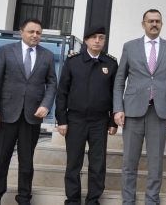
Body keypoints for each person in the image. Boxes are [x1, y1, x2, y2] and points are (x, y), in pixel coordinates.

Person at [0, 18, 57, 205]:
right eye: (31, 31)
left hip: (32, 117)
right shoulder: (6, 51)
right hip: (7, 114)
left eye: (38, 33)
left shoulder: (47, 55)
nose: (35, 35)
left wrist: (46, 104)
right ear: (21, 32)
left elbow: (52, 84)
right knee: (2, 160)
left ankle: (24, 198)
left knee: (27, 163)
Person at [113, 9, 166, 205]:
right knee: (129, 162)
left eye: (158, 21)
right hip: (133, 111)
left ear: (162, 24)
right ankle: (128, 200)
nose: (154, 24)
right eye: (150, 21)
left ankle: (152, 200)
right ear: (143, 24)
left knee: (156, 162)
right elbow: (119, 80)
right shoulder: (130, 47)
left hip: (159, 112)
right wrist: (118, 108)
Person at [55, 26, 118, 205]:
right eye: (93, 38)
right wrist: (62, 119)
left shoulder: (111, 63)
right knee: (74, 162)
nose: (97, 41)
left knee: (98, 163)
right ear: (86, 40)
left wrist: (113, 121)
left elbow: (115, 93)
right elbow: (62, 92)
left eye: (101, 38)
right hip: (76, 119)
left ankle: (93, 199)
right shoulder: (73, 61)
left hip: (100, 120)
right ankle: (73, 199)